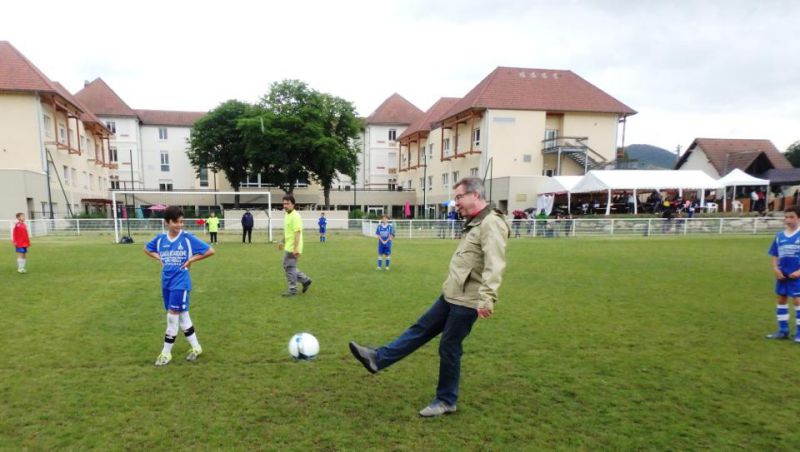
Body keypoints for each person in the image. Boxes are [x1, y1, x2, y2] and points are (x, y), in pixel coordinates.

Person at [349, 177, 510, 417]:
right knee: (420, 328)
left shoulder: (491, 223)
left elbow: (494, 264)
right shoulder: (476, 222)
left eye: (459, 197)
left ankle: (446, 400)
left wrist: (487, 298)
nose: (456, 203)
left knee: (449, 346)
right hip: (451, 294)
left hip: (468, 301)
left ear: (475, 195)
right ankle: (377, 359)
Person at [144, 206, 215, 366]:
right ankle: (196, 347)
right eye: (176, 222)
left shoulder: (187, 238)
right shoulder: (160, 239)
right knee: (183, 317)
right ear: (167, 222)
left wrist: (191, 260)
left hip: (181, 283)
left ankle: (166, 353)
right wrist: (159, 258)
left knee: (172, 317)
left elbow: (210, 251)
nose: (180, 225)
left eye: (181, 222)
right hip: (166, 282)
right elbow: (147, 249)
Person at [766, 206, 800, 341]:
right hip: (782, 274)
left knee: (798, 301)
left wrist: (799, 272)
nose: (788, 220)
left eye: (792, 217)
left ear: (798, 218)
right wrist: (776, 269)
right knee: (781, 299)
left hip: (797, 275)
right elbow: (774, 254)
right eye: (786, 217)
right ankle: (783, 331)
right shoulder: (780, 236)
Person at [278, 195, 312, 297]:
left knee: (289, 267)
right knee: (289, 266)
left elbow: (297, 233)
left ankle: (292, 289)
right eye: (284, 203)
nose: (285, 205)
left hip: (294, 247)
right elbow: (287, 231)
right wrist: (282, 241)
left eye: (287, 203)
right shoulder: (287, 214)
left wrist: (296, 248)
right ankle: (305, 280)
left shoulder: (295, 216)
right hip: (289, 245)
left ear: (293, 204)